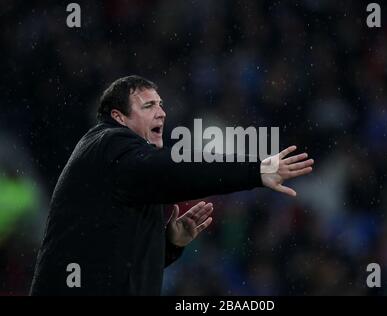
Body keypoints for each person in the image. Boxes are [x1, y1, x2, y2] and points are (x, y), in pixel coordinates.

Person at [30, 75, 314, 295]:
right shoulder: (110, 143)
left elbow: (117, 264)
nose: (162, 112)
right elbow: (175, 170)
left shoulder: (126, 169)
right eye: (149, 105)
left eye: (162, 105)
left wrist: (168, 244)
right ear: (118, 117)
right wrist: (255, 171)